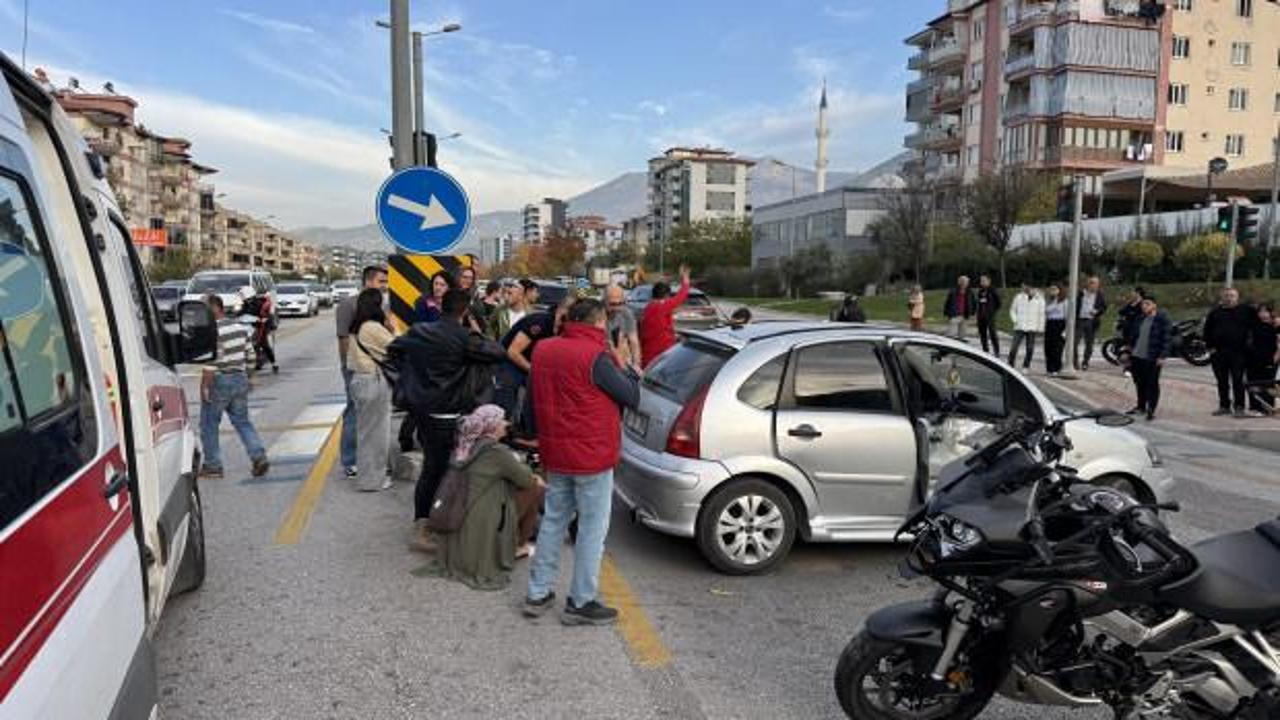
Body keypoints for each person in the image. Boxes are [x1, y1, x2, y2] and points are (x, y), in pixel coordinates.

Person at [524, 298, 640, 625]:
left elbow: (533, 400)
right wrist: (624, 362)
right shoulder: (597, 357)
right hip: (592, 457)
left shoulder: (544, 349)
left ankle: (538, 592)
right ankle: (581, 601)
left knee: (553, 521)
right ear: (598, 323)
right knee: (592, 528)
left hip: (556, 452)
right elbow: (632, 397)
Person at [389, 289, 507, 552]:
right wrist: (475, 330)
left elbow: (393, 349)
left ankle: (429, 522)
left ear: (441, 305)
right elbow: (498, 352)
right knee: (444, 470)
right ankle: (429, 526)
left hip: (423, 411)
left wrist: (415, 378)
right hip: (449, 412)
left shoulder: (419, 331)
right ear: (465, 310)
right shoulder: (464, 338)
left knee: (433, 468)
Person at [429, 405, 546, 591]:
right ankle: (518, 545)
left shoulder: (464, 443)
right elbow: (524, 479)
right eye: (502, 420)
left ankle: (518, 542)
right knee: (536, 487)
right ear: (492, 426)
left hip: (455, 513)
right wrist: (534, 476)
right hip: (479, 518)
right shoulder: (495, 452)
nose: (506, 424)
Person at [199, 295, 269, 479]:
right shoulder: (239, 327)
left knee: (209, 424)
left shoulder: (212, 330)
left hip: (219, 380)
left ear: (215, 308)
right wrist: (250, 377)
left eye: (204, 308)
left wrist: (205, 386)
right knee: (242, 422)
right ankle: (258, 456)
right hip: (239, 377)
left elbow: (212, 361)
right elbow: (251, 354)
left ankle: (213, 466)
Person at [336, 265, 388, 479]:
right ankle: (350, 460)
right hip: (355, 368)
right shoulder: (348, 305)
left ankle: (372, 461)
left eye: (386, 282)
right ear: (368, 281)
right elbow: (343, 338)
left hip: (376, 370)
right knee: (353, 413)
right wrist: (348, 367)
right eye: (381, 281)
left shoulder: (381, 305)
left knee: (373, 418)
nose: (385, 286)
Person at [495, 297, 574, 433]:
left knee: (542, 394)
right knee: (507, 391)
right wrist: (535, 370)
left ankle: (528, 431)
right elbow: (513, 352)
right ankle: (500, 429)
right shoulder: (539, 322)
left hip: (534, 364)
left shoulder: (565, 329)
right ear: (560, 310)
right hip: (510, 361)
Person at [346, 289, 396, 492]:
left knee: (366, 432)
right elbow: (398, 347)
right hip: (372, 382)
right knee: (377, 434)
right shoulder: (372, 327)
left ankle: (368, 477)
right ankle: (372, 480)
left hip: (359, 380)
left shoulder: (357, 327)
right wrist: (393, 329)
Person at [1204, 287, 1255, 417]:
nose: (1229, 298)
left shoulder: (1246, 310)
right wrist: (1210, 348)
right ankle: (1224, 406)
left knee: (1238, 380)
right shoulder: (1214, 312)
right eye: (1226, 295)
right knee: (1222, 381)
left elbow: (1258, 324)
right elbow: (1207, 331)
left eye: (1232, 295)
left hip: (1239, 353)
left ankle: (1239, 406)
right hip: (1219, 353)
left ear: (1237, 297)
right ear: (1222, 297)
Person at [1124, 294, 1172, 422]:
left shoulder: (1162, 319)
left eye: (1147, 304)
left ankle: (1151, 408)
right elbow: (1133, 336)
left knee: (1152, 383)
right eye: (1143, 304)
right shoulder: (1140, 318)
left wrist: (1162, 356)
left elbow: (1167, 339)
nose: (1144, 306)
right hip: (1137, 356)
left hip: (1152, 357)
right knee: (1139, 383)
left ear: (1154, 305)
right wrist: (1128, 351)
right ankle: (1141, 406)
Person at [638, 265, 691, 368]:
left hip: (647, 354)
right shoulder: (661, 306)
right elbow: (681, 296)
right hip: (659, 356)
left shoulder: (648, 308)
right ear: (666, 295)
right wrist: (685, 279)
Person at [1246, 302, 1277, 415]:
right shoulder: (1254, 325)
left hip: (1269, 360)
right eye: (1261, 312)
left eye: (1266, 311)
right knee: (1253, 384)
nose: (1263, 314)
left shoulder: (1275, 326)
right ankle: (1255, 408)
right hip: (1253, 360)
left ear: (1270, 313)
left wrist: (1275, 359)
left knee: (1268, 385)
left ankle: (1268, 408)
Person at [240, 287, 278, 374]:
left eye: (242, 294)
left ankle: (274, 363)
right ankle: (254, 361)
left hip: (262, 326)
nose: (241, 297)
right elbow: (241, 313)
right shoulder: (246, 303)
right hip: (250, 326)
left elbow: (266, 315)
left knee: (263, 343)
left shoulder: (258, 303)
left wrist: (261, 319)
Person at [1074, 275, 1108, 371]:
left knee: (1089, 344)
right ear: (1088, 284)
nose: (1094, 285)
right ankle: (1075, 362)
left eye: (1096, 283)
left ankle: (1085, 362)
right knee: (1074, 343)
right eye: (1092, 283)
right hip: (1080, 320)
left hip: (1091, 321)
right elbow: (1074, 304)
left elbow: (1104, 307)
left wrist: (1097, 311)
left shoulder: (1100, 295)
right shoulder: (1081, 293)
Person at [1008, 284, 1045, 370]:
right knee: (1014, 347)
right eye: (1027, 287)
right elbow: (1012, 310)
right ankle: (1010, 364)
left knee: (1030, 348)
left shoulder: (1040, 299)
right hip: (1020, 326)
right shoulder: (1018, 297)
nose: (1029, 290)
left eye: (1032, 288)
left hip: (1032, 327)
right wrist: (1016, 320)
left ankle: (1026, 365)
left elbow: (1041, 315)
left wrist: (1040, 327)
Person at [605, 285, 641, 371]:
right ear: (605, 302)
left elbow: (634, 342)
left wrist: (636, 365)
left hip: (621, 358)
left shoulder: (626, 313)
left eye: (620, 303)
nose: (616, 308)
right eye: (612, 304)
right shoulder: (598, 315)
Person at [1043, 283, 1068, 376]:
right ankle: (1049, 369)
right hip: (1050, 324)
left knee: (1057, 349)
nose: (1052, 291)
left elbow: (1067, 317)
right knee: (1048, 348)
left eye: (1055, 289)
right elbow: (1045, 311)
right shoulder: (1048, 301)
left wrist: (1065, 331)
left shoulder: (1064, 301)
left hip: (1060, 325)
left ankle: (1057, 368)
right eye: (1051, 289)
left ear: (1060, 290)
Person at [975, 274, 1002, 356]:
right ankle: (985, 351)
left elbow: (998, 303)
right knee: (983, 334)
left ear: (989, 281)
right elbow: (979, 302)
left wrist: (992, 311)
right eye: (981, 281)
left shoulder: (993, 290)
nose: (982, 282)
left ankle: (996, 351)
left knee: (992, 334)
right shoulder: (980, 291)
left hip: (990, 316)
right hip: (981, 316)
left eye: (984, 280)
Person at [943, 275, 976, 340]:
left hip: (965, 315)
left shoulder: (970, 292)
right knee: (951, 335)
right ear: (959, 282)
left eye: (966, 282)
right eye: (962, 281)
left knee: (962, 336)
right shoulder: (953, 291)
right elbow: (948, 303)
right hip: (954, 315)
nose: (964, 283)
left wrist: (973, 313)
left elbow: (974, 303)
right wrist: (947, 314)